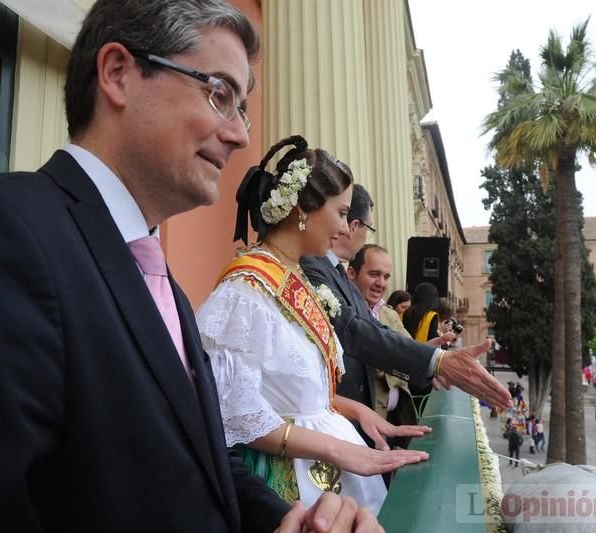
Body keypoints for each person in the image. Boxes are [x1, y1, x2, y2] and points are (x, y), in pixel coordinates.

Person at [0, 2, 380, 531]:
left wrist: (285, 521)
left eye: (242, 108)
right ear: (118, 74)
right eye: (220, 93)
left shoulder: (162, 283)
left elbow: (200, 459)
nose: (241, 135)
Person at [198, 136, 430, 514]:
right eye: (340, 213)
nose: (344, 227)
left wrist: (357, 412)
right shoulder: (246, 291)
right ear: (304, 208)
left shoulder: (296, 276)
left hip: (334, 464)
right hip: (287, 485)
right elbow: (234, 411)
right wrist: (340, 449)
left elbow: (295, 390)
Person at [299, 186, 512, 423]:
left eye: (386, 277)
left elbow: (373, 327)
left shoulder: (336, 272)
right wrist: (436, 361)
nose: (341, 227)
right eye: (341, 214)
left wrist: (427, 359)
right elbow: (353, 330)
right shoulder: (310, 265)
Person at [347, 244, 419, 444]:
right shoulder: (344, 313)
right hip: (361, 431)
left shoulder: (389, 314)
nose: (381, 283)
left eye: (386, 277)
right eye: (374, 274)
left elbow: (410, 351)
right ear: (351, 273)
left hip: (396, 421)